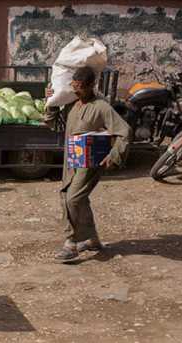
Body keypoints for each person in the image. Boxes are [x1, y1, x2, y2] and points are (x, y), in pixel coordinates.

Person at [44, 66, 132, 262]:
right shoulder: (71, 104)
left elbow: (124, 131)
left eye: (81, 88)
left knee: (73, 199)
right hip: (71, 160)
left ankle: (71, 243)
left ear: (92, 85)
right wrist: (50, 102)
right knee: (72, 197)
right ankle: (92, 239)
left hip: (90, 162)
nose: (77, 91)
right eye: (74, 87)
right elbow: (54, 125)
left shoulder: (101, 107)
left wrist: (114, 154)